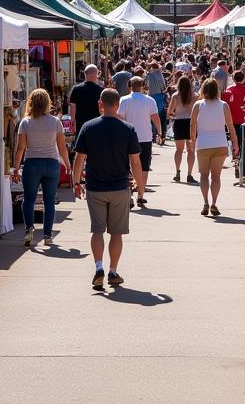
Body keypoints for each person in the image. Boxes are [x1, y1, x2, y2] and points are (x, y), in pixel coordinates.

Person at [72, 88, 142, 290]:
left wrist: (76, 183)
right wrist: (139, 186)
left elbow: (79, 158)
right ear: (118, 105)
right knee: (117, 233)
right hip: (120, 187)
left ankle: (98, 266)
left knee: (97, 230)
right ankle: (113, 270)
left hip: (95, 187)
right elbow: (135, 162)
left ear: (100, 104)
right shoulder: (128, 128)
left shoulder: (88, 127)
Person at [11, 88, 71, 247]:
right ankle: (47, 235)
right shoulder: (55, 122)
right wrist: (67, 163)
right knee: (49, 201)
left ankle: (29, 229)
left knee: (28, 199)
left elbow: (20, 148)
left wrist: (16, 168)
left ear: (30, 102)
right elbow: (62, 147)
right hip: (51, 163)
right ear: (47, 103)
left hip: (32, 163)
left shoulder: (26, 122)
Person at [190, 78, 238, 217]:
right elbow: (230, 126)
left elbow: (193, 125)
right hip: (220, 144)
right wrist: (235, 144)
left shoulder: (198, 105)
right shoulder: (223, 105)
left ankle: (205, 202)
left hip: (203, 144)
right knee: (216, 176)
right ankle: (214, 203)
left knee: (204, 175)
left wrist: (193, 140)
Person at [118, 76, 161, 206]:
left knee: (128, 166)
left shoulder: (124, 100)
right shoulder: (149, 100)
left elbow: (120, 118)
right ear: (143, 85)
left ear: (130, 86)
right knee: (144, 167)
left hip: (127, 137)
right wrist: (160, 132)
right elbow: (155, 118)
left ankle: (129, 193)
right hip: (145, 137)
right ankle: (141, 195)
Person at [167, 75, 198, 183]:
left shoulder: (175, 96)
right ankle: (189, 174)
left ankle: (177, 172)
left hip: (179, 123)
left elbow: (169, 112)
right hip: (191, 124)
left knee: (179, 150)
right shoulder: (195, 96)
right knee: (191, 150)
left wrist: (173, 115)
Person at [222, 70, 245, 178]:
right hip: (244, 120)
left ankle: (237, 163)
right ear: (243, 78)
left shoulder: (228, 91)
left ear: (233, 78)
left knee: (234, 142)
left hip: (231, 120)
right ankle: (240, 163)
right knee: (242, 143)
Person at [68, 64, 103, 142]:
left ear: (85, 74)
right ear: (96, 74)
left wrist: (72, 124)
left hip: (80, 124)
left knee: (81, 149)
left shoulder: (76, 89)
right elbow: (102, 109)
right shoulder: (101, 90)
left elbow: (72, 108)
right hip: (96, 124)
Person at [145, 61, 168, 133]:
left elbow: (146, 84)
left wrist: (149, 65)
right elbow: (164, 86)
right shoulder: (160, 74)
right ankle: (160, 132)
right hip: (160, 95)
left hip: (152, 95)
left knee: (152, 115)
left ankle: (153, 132)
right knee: (159, 115)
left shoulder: (149, 74)